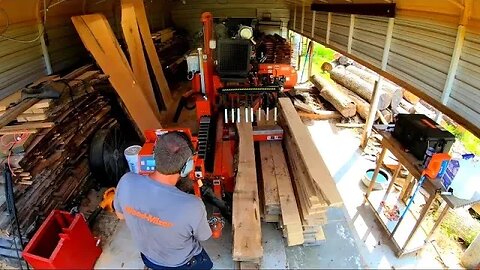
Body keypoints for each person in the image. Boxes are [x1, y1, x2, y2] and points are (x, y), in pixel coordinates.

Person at [114, 131, 213, 270]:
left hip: (150, 259)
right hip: (183, 264)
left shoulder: (126, 181)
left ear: (154, 155)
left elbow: (120, 215)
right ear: (187, 166)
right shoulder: (193, 205)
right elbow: (204, 236)